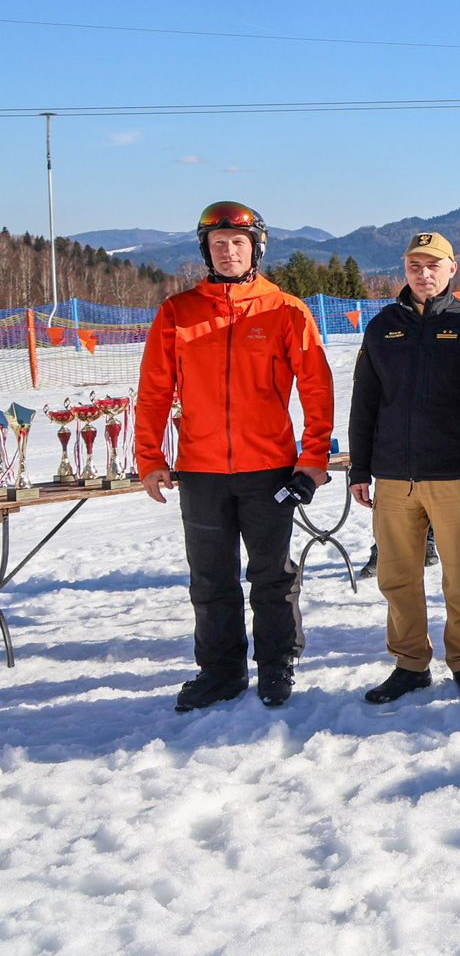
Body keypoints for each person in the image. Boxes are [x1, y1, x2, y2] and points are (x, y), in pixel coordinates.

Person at [136, 201, 335, 712]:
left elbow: (317, 389)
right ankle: (221, 671)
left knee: (272, 575)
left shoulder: (285, 309)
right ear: (206, 250)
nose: (228, 252)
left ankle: (276, 663)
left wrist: (313, 457)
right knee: (210, 579)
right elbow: (155, 391)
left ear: (256, 248)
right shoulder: (178, 312)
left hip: (269, 469)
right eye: (218, 244)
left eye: (238, 243)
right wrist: (150, 457)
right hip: (201, 472)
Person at [348, 233, 460, 704]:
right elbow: (364, 402)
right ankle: (410, 663)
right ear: (405, 270)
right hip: (395, 476)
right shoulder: (383, 327)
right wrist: (360, 469)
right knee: (397, 576)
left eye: (433, 265)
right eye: (415, 266)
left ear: (452, 269)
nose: (424, 274)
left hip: (457, 474)